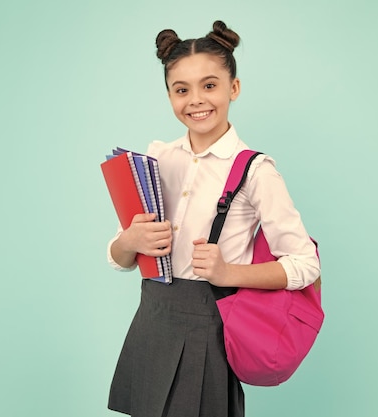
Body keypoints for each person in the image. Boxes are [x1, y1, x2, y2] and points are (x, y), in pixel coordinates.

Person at [106, 20, 321, 417]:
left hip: (209, 329)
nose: (196, 100)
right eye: (181, 89)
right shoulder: (156, 159)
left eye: (210, 85)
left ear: (233, 88)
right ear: (169, 94)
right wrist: (128, 244)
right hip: (152, 321)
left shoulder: (257, 171)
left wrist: (228, 274)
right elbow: (120, 256)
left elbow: (305, 265)